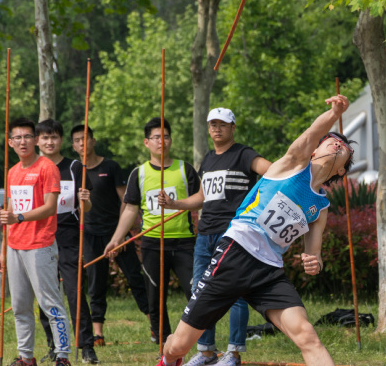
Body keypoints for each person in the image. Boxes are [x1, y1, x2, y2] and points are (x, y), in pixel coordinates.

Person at [155, 95, 353, 366]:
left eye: (343, 147)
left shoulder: (320, 207)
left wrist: (314, 262)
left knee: (307, 335)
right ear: (316, 150)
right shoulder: (292, 164)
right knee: (179, 345)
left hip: (269, 271)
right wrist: (333, 113)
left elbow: (313, 253)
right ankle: (168, 359)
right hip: (235, 253)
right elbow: (310, 134)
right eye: (333, 140)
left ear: (342, 169)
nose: (338, 144)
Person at [159, 108, 271, 366]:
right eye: (212, 125)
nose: (217, 129)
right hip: (205, 234)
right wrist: (174, 204)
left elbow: (271, 171)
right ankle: (207, 351)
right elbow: (202, 197)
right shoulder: (208, 159)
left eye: (222, 124)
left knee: (236, 292)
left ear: (233, 128)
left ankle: (233, 353)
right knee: (200, 292)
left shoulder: (244, 154)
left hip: (234, 233)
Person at [103, 118, 200, 345]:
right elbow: (130, 210)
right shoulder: (139, 173)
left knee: (196, 294)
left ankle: (200, 342)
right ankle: (164, 344)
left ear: (171, 140)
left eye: (165, 136)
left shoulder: (185, 169)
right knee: (155, 298)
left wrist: (177, 204)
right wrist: (116, 240)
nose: (161, 141)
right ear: (147, 142)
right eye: (156, 137)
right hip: (152, 244)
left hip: (184, 243)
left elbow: (200, 200)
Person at [0, 117, 72, 366]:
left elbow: (50, 208)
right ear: (10, 143)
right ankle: (25, 357)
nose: (23, 141)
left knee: (50, 303)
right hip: (15, 246)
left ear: (36, 140)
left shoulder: (47, 167)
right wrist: (3, 250)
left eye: (28, 136)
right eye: (17, 137)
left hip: (40, 244)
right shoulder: (12, 172)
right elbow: (9, 209)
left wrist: (18, 217)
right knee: (20, 306)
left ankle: (62, 356)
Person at [71, 125, 150, 345]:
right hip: (90, 235)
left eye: (84, 139)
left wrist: (120, 235)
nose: (81, 144)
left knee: (135, 278)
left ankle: (154, 325)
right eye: (76, 141)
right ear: (73, 145)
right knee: (96, 283)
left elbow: (126, 202)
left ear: (93, 141)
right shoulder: (75, 170)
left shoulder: (111, 166)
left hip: (116, 232)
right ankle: (98, 334)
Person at [35, 120, 99, 364]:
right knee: (46, 295)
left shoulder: (75, 167)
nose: (49, 142)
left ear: (60, 140)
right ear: (38, 141)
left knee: (75, 292)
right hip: (41, 237)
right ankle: (54, 345)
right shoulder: (35, 168)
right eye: (44, 138)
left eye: (54, 137)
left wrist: (86, 200)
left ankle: (86, 346)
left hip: (69, 237)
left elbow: (87, 207)